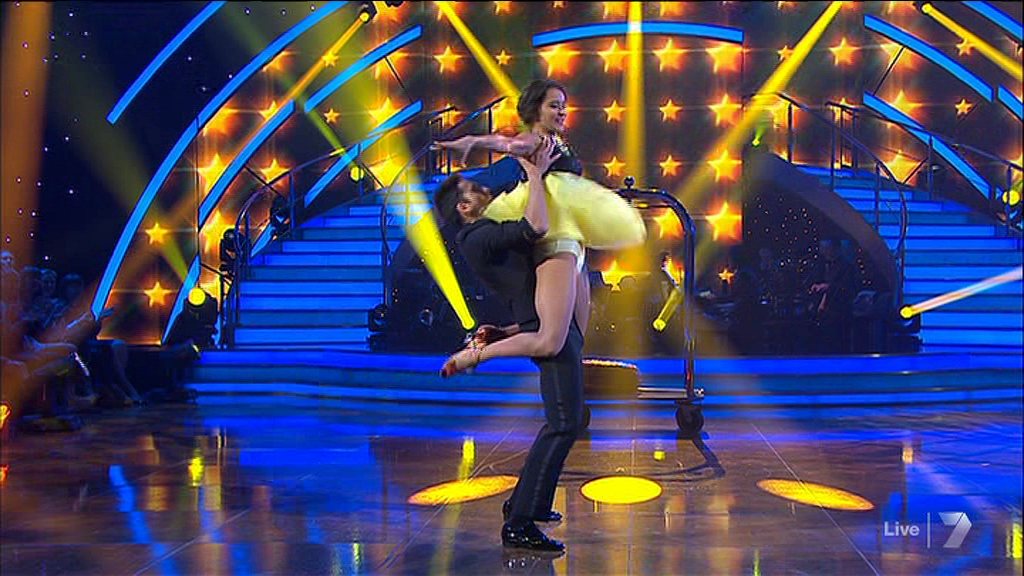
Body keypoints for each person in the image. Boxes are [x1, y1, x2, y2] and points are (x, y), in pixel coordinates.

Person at [434, 79, 646, 374]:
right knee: (550, 342)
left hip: (573, 236)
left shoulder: (557, 141)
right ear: (536, 110)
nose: (562, 112)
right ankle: (474, 356)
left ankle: (504, 334)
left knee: (575, 335)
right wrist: (473, 140)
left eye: (563, 106)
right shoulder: (535, 140)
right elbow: (508, 144)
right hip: (555, 234)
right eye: (554, 106)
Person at [434, 139, 574, 554]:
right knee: (563, 423)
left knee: (566, 420)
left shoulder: (483, 232)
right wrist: (533, 173)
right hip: (542, 326)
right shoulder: (477, 236)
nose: (483, 188)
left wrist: (507, 330)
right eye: (473, 189)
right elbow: (535, 227)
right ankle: (519, 522)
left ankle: (527, 503)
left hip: (535, 320)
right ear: (464, 207)